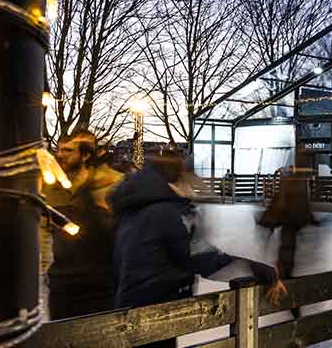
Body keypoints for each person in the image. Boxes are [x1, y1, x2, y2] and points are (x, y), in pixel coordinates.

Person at [111, 149, 285, 347]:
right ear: (179, 178)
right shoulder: (164, 213)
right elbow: (199, 258)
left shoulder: (140, 208)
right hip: (153, 310)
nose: (197, 186)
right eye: (192, 177)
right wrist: (259, 269)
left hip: (136, 307)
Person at [45, 130, 123, 319]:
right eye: (59, 150)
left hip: (100, 286)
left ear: (86, 154)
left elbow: (120, 232)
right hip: (61, 285)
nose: (59, 155)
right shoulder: (51, 185)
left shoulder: (112, 183)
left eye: (68, 151)